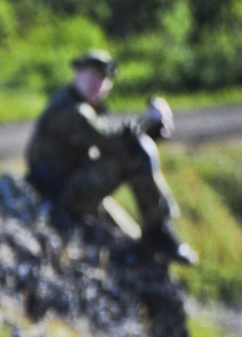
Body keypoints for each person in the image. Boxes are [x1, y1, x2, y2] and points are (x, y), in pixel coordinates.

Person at [25, 49, 198, 264]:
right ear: (76, 75)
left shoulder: (80, 105)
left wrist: (147, 129)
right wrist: (149, 120)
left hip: (72, 189)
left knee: (132, 240)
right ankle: (158, 230)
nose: (96, 84)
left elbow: (109, 141)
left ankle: (154, 245)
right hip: (60, 195)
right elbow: (112, 143)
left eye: (102, 80)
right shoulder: (71, 110)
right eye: (91, 76)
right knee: (136, 151)